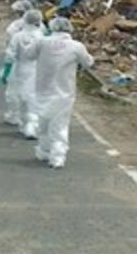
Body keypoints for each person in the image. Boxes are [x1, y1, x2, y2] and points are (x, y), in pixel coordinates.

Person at [26, 16, 94, 169]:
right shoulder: (76, 46)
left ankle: (44, 151)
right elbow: (88, 62)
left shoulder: (42, 42)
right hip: (64, 92)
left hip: (43, 90)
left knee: (43, 123)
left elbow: (29, 55)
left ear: (52, 27)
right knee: (60, 125)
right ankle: (57, 158)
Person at [1, 9, 45, 139]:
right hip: (37, 69)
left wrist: (6, 71)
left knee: (18, 95)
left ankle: (17, 119)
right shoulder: (41, 36)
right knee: (34, 98)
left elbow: (10, 55)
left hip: (20, 68)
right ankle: (32, 126)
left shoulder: (18, 36)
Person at [1, 0, 33, 125]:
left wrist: (6, 69)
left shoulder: (14, 27)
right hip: (36, 65)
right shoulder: (40, 27)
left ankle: (14, 116)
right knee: (33, 93)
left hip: (18, 63)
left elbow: (10, 48)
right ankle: (32, 119)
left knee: (13, 91)